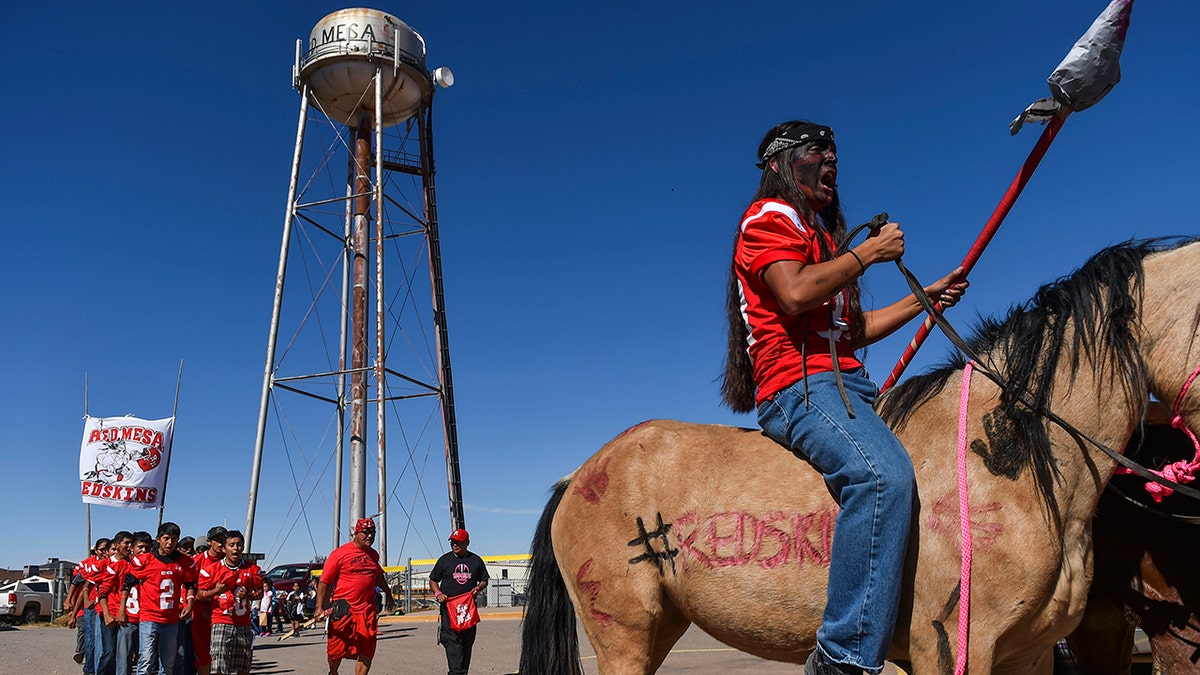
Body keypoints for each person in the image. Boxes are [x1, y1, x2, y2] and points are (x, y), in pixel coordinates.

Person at [721, 120, 967, 675]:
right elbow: (794, 292)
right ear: (782, 164)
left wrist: (926, 299)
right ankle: (843, 659)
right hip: (798, 387)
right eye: (817, 155)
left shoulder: (824, 240)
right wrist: (870, 253)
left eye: (834, 158)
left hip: (852, 384)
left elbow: (853, 328)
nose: (830, 165)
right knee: (881, 477)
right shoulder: (768, 219)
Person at [314, 518, 394, 675]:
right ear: (356, 533)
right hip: (343, 611)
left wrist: (389, 594)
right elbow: (324, 582)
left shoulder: (373, 555)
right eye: (365, 532)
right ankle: (333, 672)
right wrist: (319, 608)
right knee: (335, 652)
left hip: (367, 612)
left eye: (373, 532)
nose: (370, 536)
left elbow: (378, 575)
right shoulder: (339, 554)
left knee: (367, 651)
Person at [122, 522, 196, 675]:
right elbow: (127, 584)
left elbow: (190, 584)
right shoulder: (145, 560)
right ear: (158, 539)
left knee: (168, 664)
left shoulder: (184, 562)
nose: (170, 542)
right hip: (149, 617)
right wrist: (121, 609)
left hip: (171, 619)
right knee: (146, 661)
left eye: (174, 539)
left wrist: (189, 604)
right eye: (166, 538)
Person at [429, 529, 489, 675]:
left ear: (467, 543)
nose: (454, 545)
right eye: (453, 542)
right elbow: (433, 580)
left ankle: (462, 672)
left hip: (468, 609)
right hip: (449, 609)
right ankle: (456, 672)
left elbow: (484, 580)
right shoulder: (444, 560)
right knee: (452, 642)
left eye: (458, 542)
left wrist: (478, 587)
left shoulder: (475, 560)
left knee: (466, 643)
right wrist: (438, 593)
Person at [208, 531, 262, 675]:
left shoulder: (252, 569)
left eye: (239, 545)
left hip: (243, 622)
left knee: (243, 663)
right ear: (224, 548)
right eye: (231, 545)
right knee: (218, 663)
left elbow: (260, 593)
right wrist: (216, 590)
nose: (236, 548)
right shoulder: (213, 569)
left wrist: (249, 595)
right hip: (221, 620)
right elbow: (200, 594)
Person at [94, 531, 133, 675]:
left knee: (123, 653)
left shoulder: (131, 564)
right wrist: (107, 614)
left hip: (125, 614)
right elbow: (101, 590)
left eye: (131, 544)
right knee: (108, 651)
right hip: (108, 613)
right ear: (116, 545)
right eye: (126, 543)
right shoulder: (107, 564)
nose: (129, 547)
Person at [192, 527, 227, 675]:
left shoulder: (230, 560)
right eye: (217, 539)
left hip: (224, 613)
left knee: (222, 653)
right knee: (203, 653)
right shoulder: (197, 561)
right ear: (209, 542)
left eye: (223, 539)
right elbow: (190, 589)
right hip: (202, 613)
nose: (221, 543)